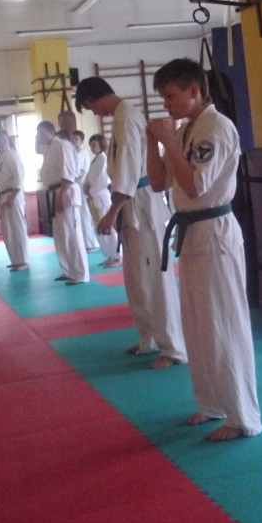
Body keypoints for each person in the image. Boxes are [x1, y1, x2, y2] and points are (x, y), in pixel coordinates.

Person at [146, 58, 262, 442]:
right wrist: (153, 141)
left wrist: (167, 141)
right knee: (198, 327)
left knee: (225, 325)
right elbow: (160, 183)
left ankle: (243, 417)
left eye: (170, 96)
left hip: (215, 234)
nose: (166, 104)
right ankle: (212, 404)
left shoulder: (217, 127)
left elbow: (196, 185)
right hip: (192, 235)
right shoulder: (184, 131)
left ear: (194, 91)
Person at [75, 77, 186, 369]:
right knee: (137, 280)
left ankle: (173, 348)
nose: (94, 112)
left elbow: (128, 170)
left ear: (95, 97)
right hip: (131, 204)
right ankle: (149, 338)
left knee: (155, 280)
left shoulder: (126, 117)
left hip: (141, 206)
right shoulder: (122, 116)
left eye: (90, 106)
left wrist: (112, 211)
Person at [36, 120, 89, 285]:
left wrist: (60, 195)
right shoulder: (49, 149)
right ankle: (67, 270)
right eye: (38, 133)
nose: (39, 136)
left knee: (72, 235)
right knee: (60, 236)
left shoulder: (62, 145)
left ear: (50, 132)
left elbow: (69, 174)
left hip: (65, 192)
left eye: (41, 133)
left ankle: (81, 274)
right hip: (54, 192)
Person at [0, 129, 30, 272]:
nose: (0, 142)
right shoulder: (0, 157)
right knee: (8, 230)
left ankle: (23, 260)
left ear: (8, 140)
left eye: (3, 139)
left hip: (13, 194)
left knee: (17, 228)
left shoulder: (12, 155)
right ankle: (15, 260)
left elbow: (19, 176)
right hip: (4, 195)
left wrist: (13, 196)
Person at [85, 133, 121, 267]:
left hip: (101, 196)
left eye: (94, 144)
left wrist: (90, 190)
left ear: (101, 144)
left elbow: (103, 180)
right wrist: (86, 188)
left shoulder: (103, 159)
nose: (92, 147)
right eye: (90, 145)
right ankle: (109, 255)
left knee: (108, 227)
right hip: (94, 197)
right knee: (98, 228)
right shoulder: (94, 160)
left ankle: (117, 257)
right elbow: (88, 179)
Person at [71, 129, 100, 252]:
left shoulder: (82, 154)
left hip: (81, 184)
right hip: (75, 185)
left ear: (81, 141)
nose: (73, 141)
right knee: (80, 214)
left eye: (76, 139)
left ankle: (91, 243)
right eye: (72, 139)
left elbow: (79, 171)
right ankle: (85, 242)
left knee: (85, 213)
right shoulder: (73, 153)